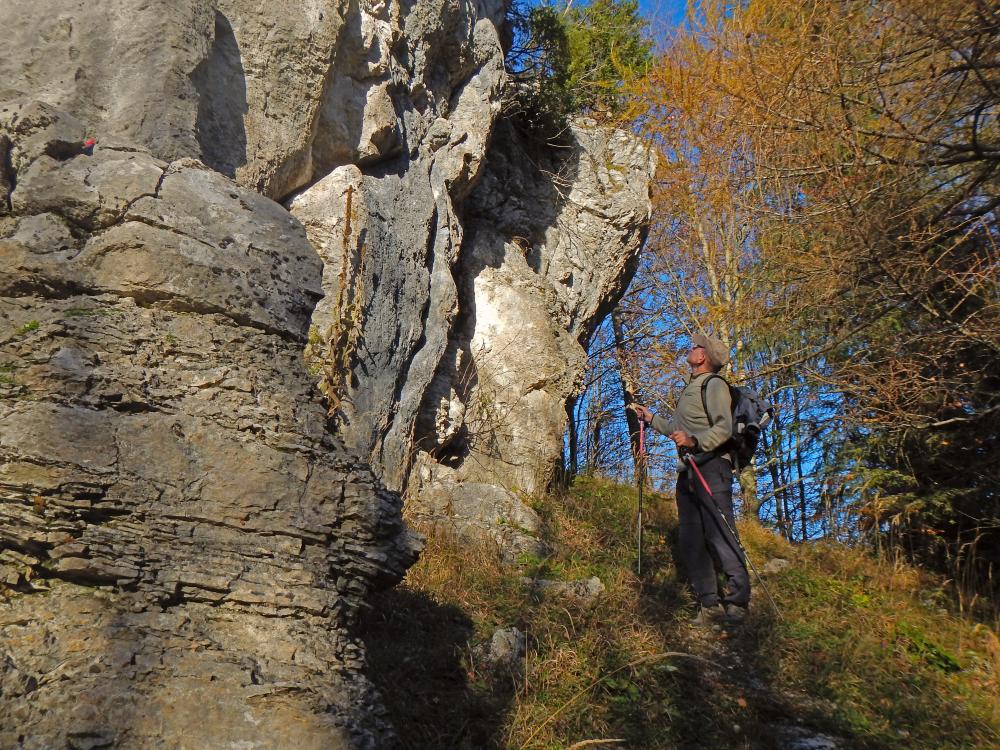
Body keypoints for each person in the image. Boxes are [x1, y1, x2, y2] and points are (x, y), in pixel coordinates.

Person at [631, 333, 750, 627]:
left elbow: (723, 428)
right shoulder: (691, 389)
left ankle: (738, 601)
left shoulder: (714, 385)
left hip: (711, 467)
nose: (692, 348)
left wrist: (695, 441)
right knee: (691, 537)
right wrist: (651, 418)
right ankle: (708, 603)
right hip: (689, 471)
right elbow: (676, 429)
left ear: (704, 357)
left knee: (720, 531)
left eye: (697, 346)